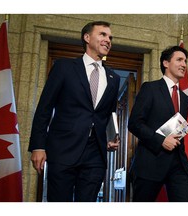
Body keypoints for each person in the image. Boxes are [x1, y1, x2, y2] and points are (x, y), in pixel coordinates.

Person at [28, 21, 120, 202]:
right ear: (87, 37)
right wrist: (38, 146)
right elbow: (44, 108)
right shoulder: (64, 67)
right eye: (102, 34)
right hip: (63, 150)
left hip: (95, 155)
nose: (108, 40)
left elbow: (108, 114)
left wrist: (109, 138)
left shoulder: (114, 78)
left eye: (110, 37)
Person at [128, 46, 188, 202]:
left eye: (185, 61)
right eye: (179, 59)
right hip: (151, 162)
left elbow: (178, 128)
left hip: (178, 165)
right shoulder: (150, 88)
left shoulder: (185, 99)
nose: (184, 64)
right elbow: (134, 123)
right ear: (165, 63)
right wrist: (161, 140)